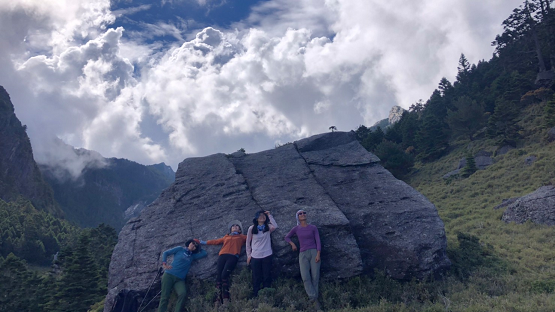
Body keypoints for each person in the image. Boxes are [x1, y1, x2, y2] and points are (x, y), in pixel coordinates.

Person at [199, 220, 247, 305]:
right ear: (230, 229)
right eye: (233, 226)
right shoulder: (226, 237)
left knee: (224, 275)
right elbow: (216, 241)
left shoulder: (242, 237)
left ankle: (226, 299)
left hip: (233, 256)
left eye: (237, 226)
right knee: (218, 277)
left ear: (240, 230)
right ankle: (217, 300)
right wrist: (204, 242)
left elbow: (252, 238)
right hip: (222, 256)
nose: (235, 227)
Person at [284, 209, 322, 310]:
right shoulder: (296, 229)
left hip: (314, 252)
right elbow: (287, 237)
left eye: (304, 213)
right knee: (305, 276)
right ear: (298, 217)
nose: (302, 214)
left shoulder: (313, 227)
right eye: (300, 213)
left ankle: (314, 301)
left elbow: (318, 241)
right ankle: (313, 298)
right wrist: (292, 244)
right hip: (303, 253)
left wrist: (318, 254)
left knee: (315, 276)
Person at [158, 239, 207, 312]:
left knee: (182, 293)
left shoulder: (192, 256)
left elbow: (204, 253)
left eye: (195, 245)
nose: (193, 245)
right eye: (193, 243)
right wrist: (164, 264)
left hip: (180, 279)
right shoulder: (180, 249)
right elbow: (166, 253)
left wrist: (199, 246)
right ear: (189, 243)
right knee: (165, 297)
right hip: (169, 275)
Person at [246, 210, 278, 297]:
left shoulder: (268, 227)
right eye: (260, 216)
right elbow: (248, 242)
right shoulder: (252, 228)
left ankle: (266, 295)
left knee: (266, 275)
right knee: (256, 276)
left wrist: (269, 215)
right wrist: (249, 255)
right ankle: (256, 295)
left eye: (263, 216)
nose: (262, 217)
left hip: (267, 254)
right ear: (256, 218)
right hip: (255, 256)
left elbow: (275, 226)